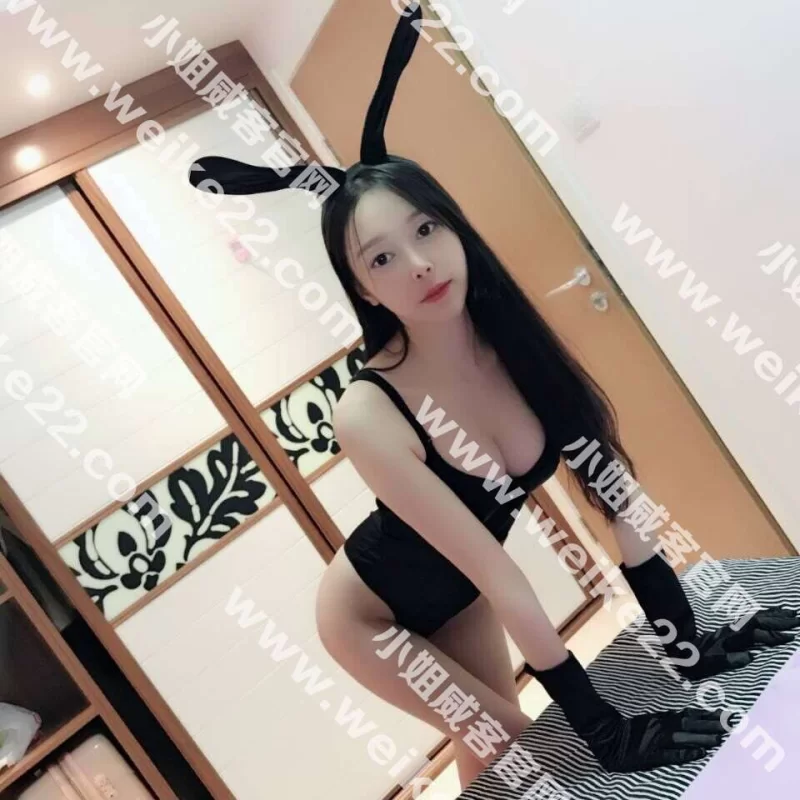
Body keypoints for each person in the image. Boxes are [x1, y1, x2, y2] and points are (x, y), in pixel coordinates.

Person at [189, 2, 800, 789]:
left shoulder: (512, 345)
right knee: (525, 751)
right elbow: (504, 577)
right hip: (370, 617)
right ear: (363, 290)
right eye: (380, 259)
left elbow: (613, 494)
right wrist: (604, 733)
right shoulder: (370, 411)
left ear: (454, 228)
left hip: (461, 592)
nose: (417, 263)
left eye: (425, 231)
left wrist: (690, 646)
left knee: (486, 755)